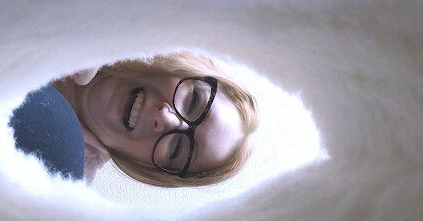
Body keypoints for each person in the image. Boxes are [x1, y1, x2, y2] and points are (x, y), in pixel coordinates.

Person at [31, 51, 258, 187]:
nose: (166, 119)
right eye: (193, 102)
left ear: (148, 168)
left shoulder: (54, 187)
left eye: (177, 149)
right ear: (189, 64)